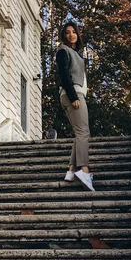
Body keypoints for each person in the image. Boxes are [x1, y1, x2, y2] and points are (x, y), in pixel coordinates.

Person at [55, 22, 95, 191]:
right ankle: (84, 170)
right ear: (63, 35)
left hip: (76, 93)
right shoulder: (63, 51)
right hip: (72, 94)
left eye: (74, 32)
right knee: (84, 132)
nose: (71, 35)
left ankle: (71, 170)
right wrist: (73, 96)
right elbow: (63, 75)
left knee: (79, 132)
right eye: (67, 32)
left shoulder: (76, 54)